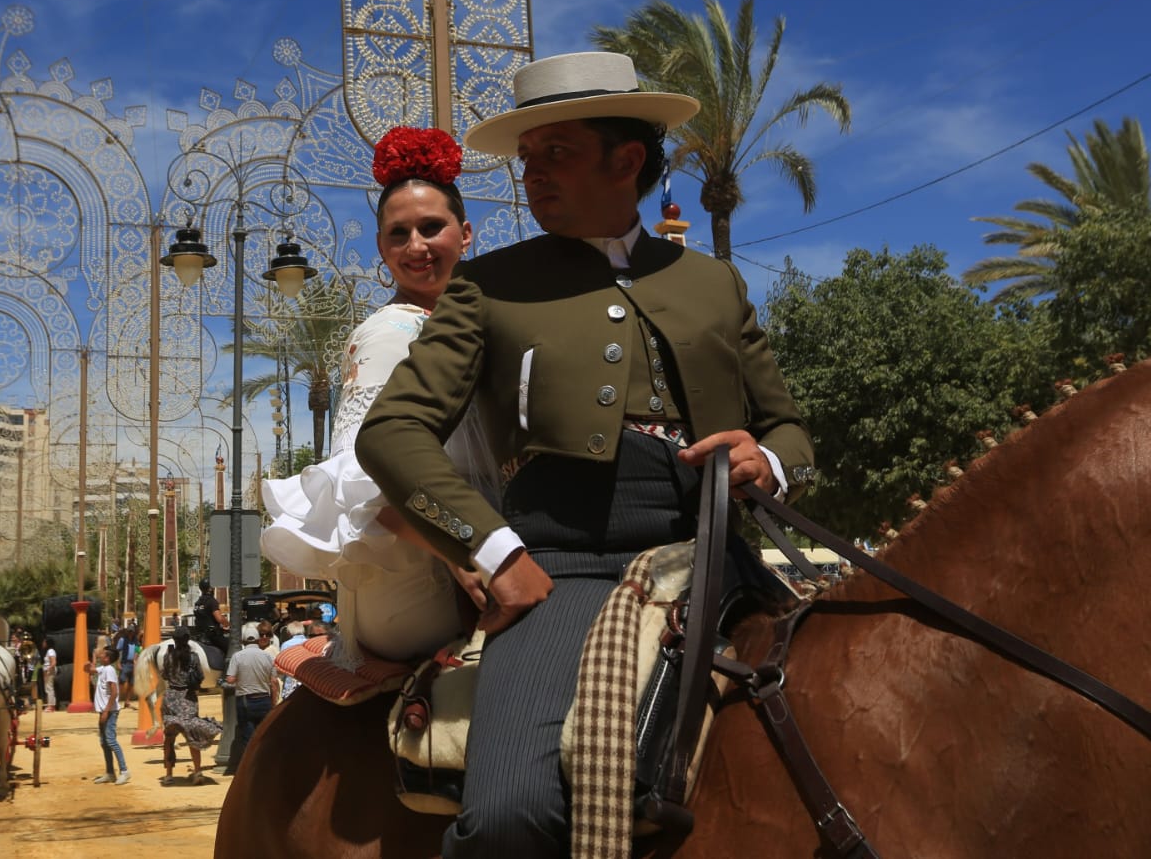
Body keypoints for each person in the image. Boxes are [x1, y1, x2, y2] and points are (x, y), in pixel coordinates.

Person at [355, 51, 815, 856]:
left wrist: (766, 463)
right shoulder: (488, 284)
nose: (531, 175)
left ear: (625, 159)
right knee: (507, 813)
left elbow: (788, 429)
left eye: (554, 153)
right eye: (526, 159)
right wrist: (495, 552)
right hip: (560, 566)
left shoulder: (715, 283)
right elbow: (389, 433)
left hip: (717, 555)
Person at [262, 125, 490, 667]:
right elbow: (360, 484)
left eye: (432, 227)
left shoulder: (476, 324)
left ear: (466, 233)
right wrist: (464, 554)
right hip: (422, 571)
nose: (416, 247)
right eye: (398, 234)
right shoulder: (391, 332)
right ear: (382, 247)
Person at [159, 626, 222, 783]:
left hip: (172, 698)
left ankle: (168, 774)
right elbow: (200, 676)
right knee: (192, 735)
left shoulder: (169, 656)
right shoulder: (193, 657)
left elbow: (165, 675)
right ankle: (197, 771)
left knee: (169, 738)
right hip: (188, 699)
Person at [222, 622, 279, 775]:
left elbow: (230, 680)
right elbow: (274, 682)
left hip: (245, 700)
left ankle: (250, 771)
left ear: (243, 641)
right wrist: (273, 702)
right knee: (264, 736)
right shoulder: (267, 656)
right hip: (264, 700)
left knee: (248, 738)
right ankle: (265, 768)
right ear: (257, 639)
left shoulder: (237, 656)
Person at [92, 645, 129, 785]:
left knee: (111, 741)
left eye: (102, 654)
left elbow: (114, 692)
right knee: (104, 742)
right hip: (104, 711)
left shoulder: (110, 670)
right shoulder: (103, 669)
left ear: (107, 658)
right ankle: (110, 772)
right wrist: (92, 659)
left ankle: (124, 771)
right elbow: (89, 670)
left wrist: (106, 711)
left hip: (110, 711)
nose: (100, 655)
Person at [193, 582, 227, 668]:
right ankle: (226, 673)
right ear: (210, 589)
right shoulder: (212, 601)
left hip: (199, 634)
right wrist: (227, 622)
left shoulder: (197, 603)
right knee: (231, 647)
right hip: (212, 635)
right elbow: (219, 618)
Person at [40, 641, 58, 711]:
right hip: (47, 671)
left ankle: (51, 706)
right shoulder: (49, 651)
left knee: (49, 688)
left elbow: (53, 662)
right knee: (48, 688)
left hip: (49, 671)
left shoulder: (50, 651)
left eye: (44, 642)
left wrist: (48, 669)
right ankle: (50, 705)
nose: (43, 643)